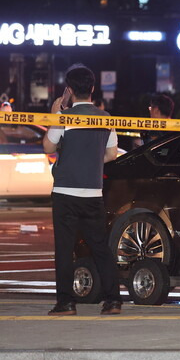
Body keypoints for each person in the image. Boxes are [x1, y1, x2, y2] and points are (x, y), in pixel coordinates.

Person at [43, 64, 122, 316]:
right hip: (93, 192)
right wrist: (90, 160)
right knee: (100, 246)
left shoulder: (64, 118)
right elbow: (111, 154)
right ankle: (113, 300)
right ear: (92, 89)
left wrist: (55, 113)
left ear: (69, 90)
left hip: (66, 191)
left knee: (65, 249)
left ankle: (66, 303)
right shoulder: (106, 118)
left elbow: (48, 147)